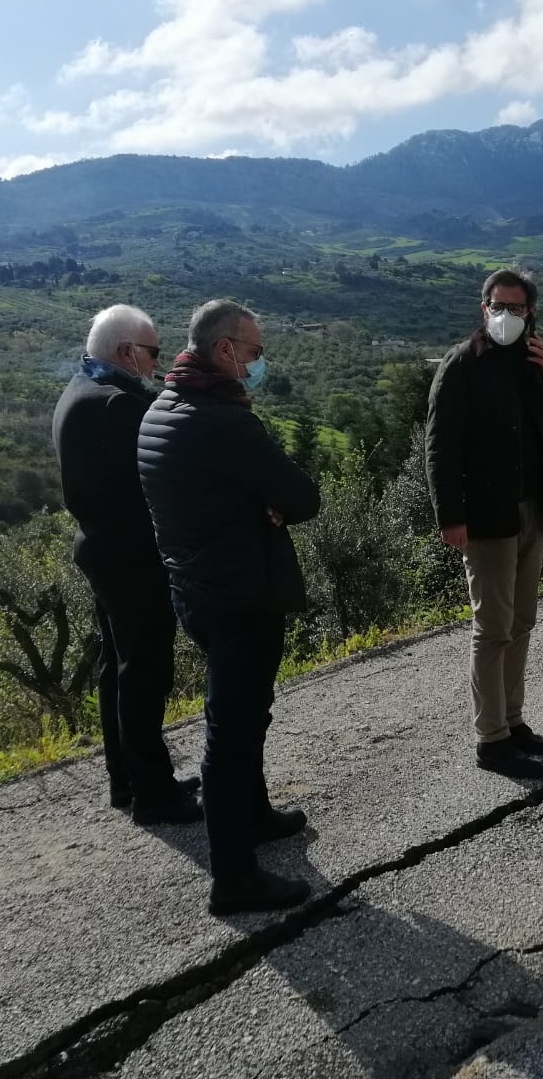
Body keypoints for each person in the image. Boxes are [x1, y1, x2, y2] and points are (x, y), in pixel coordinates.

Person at [138, 299, 320, 916]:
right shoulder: (223, 421)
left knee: (246, 716)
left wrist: (254, 502)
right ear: (225, 350)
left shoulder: (161, 409)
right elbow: (300, 496)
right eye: (255, 352)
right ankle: (234, 877)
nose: (256, 363)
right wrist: (265, 504)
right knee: (231, 731)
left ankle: (257, 814)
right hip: (241, 594)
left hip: (194, 588)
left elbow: (204, 499)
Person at [426, 269, 543, 781]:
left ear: (530, 313)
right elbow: (440, 448)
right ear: (483, 307)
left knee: (521, 622)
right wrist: (450, 516)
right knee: (492, 627)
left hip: (532, 510)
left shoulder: (534, 363)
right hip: (486, 517)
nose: (507, 316)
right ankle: (491, 739)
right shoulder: (461, 365)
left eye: (517, 309)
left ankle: (514, 723)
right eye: (499, 305)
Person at [52, 304, 201, 825]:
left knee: (117, 669)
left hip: (101, 551)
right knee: (145, 672)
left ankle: (129, 780)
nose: (156, 363)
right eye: (153, 352)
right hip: (133, 558)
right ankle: (154, 795)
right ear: (125, 352)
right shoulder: (117, 405)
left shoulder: (79, 391)